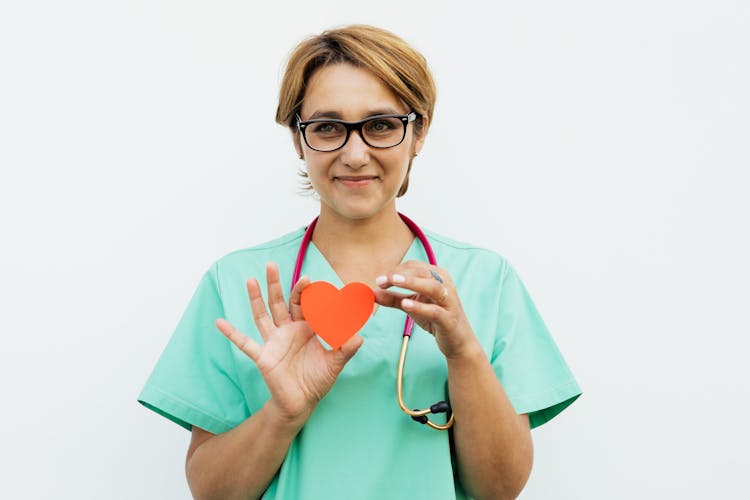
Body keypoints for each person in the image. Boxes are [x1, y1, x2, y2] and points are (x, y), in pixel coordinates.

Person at [138, 24, 581, 500]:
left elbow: (498, 489)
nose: (354, 154)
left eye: (381, 125)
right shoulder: (236, 283)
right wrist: (284, 413)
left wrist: (463, 352)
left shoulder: (486, 280)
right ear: (297, 139)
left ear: (419, 133)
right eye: (327, 127)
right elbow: (211, 492)